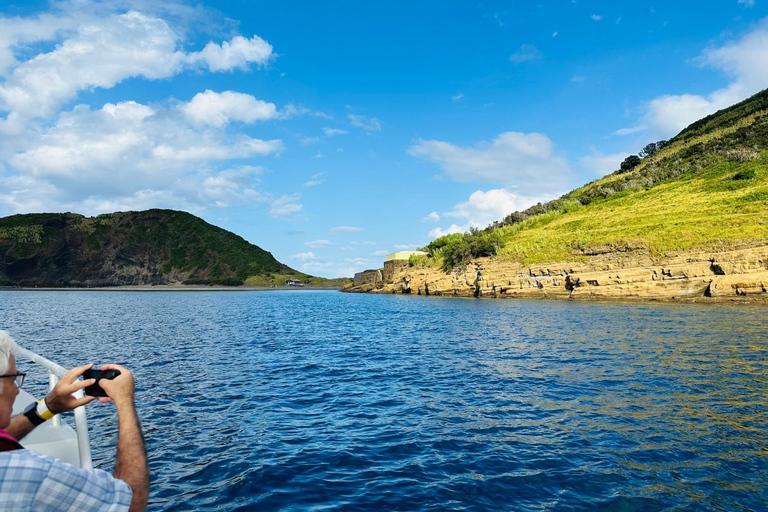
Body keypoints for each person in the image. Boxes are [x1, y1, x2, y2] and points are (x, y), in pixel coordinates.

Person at [0, 330, 149, 512]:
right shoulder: (31, 473)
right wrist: (125, 401)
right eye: (13, 379)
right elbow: (130, 502)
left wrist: (48, 407)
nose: (16, 390)